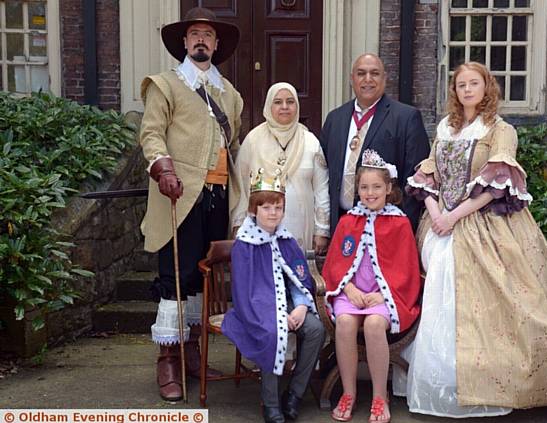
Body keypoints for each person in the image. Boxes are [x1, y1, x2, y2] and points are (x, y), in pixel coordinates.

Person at [395, 61, 547, 417]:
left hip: (483, 224)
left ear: (487, 88)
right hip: (439, 222)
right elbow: (428, 175)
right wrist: (437, 212)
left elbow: (496, 185)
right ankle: (439, 380)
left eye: (474, 83)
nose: (467, 90)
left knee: (487, 295)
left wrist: (455, 215)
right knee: (438, 288)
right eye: (461, 85)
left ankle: (486, 383)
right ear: (454, 91)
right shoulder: (445, 129)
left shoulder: (500, 131)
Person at [138, 7, 243, 401]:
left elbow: (232, 147)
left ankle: (193, 357)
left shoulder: (229, 94)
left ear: (216, 44)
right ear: (184, 42)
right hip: (178, 195)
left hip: (217, 197)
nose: (201, 40)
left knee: (205, 279)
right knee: (175, 278)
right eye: (195, 34)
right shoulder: (164, 85)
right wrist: (163, 169)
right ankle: (168, 363)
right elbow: (151, 134)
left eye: (208, 35)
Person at [322, 150, 421, 423]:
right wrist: (348, 289)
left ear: (389, 188)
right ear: (357, 190)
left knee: (376, 325)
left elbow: (406, 270)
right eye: (364, 187)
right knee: (344, 322)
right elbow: (335, 263)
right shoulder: (348, 221)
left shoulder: (400, 223)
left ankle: (379, 396)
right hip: (349, 293)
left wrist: (382, 294)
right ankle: (349, 393)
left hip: (384, 296)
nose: (370, 192)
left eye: (377, 187)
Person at [222, 169, 326, 423]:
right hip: (257, 307)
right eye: (266, 207)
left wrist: (301, 306)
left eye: (278, 207)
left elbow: (299, 277)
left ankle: (294, 394)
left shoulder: (286, 240)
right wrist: (279, 316)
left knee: (315, 330)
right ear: (254, 209)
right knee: (272, 333)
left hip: (289, 303)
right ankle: (270, 404)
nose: (272, 213)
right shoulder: (245, 244)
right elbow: (245, 292)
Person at [319, 53, 430, 234]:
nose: (368, 79)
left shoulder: (406, 118)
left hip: (385, 227)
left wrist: (403, 229)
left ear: (385, 78)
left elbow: (415, 180)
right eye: (361, 73)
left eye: (375, 73)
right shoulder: (335, 119)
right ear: (352, 78)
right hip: (340, 224)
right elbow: (323, 175)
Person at [231, 82, 330, 253]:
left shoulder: (310, 141)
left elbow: (321, 188)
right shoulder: (253, 141)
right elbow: (240, 185)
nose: (284, 107)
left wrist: (322, 229)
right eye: (278, 102)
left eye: (290, 102)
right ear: (269, 105)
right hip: (260, 228)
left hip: (300, 227)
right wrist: (238, 224)